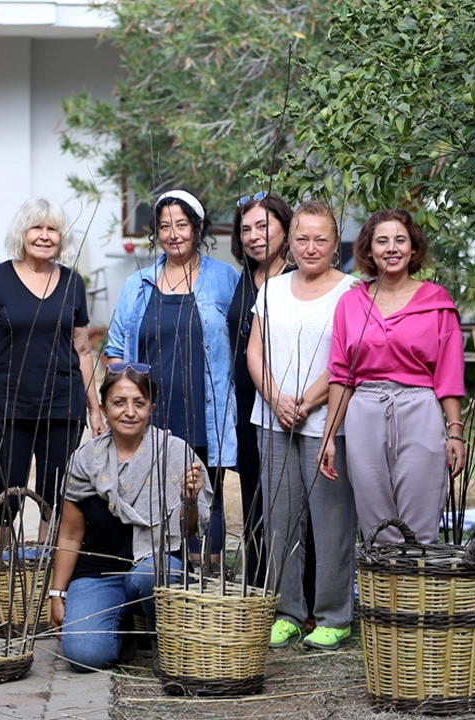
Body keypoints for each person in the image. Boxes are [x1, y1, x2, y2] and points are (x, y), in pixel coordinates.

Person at [105, 189, 239, 569]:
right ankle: (158, 592)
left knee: (202, 501)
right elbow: (115, 352)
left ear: (197, 228)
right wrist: (128, 403)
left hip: (204, 415)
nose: (173, 233)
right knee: (153, 502)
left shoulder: (224, 280)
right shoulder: (138, 285)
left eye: (181, 224)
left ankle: (204, 590)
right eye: (165, 226)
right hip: (151, 420)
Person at [49, 364, 212, 672]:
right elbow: (70, 534)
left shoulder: (175, 453)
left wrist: (189, 500)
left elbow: (189, 530)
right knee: (83, 655)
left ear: (151, 408)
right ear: (104, 407)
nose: (129, 412)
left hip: (154, 568)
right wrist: (57, 593)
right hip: (98, 574)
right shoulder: (85, 460)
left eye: (139, 403)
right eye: (119, 402)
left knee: (148, 575)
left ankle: (162, 641)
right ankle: (121, 630)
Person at [320, 208, 466, 546]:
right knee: (376, 521)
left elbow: (449, 372)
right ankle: (384, 599)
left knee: (420, 520)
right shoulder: (350, 303)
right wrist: (328, 437)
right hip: (365, 411)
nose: (392, 248)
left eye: (400, 239)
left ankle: (417, 597)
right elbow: (342, 374)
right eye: (382, 240)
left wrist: (455, 433)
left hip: (419, 409)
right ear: (369, 250)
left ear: (413, 247)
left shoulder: (437, 301)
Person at [248, 201, 357, 650]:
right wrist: (275, 398)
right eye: (302, 238)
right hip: (271, 420)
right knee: (280, 522)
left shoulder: (353, 291)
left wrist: (307, 402)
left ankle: (333, 614)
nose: (311, 247)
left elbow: (349, 358)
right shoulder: (271, 289)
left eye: (321, 239)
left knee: (331, 521)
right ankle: (287, 611)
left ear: (335, 244)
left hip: (326, 423)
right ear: (289, 243)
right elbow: (254, 351)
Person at [0, 198, 103, 544]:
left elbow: (83, 349)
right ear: (22, 232)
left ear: (60, 237)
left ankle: (43, 587)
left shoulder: (72, 283)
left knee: (54, 497)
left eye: (52, 229)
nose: (44, 236)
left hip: (62, 406)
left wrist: (95, 409)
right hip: (7, 405)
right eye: (36, 227)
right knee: (3, 497)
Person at [228, 191, 293, 587]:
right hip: (245, 404)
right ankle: (258, 584)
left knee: (288, 501)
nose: (254, 236)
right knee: (253, 496)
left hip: (287, 404)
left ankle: (295, 589)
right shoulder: (244, 278)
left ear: (286, 229)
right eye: (246, 229)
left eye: (263, 226)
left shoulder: (298, 277)